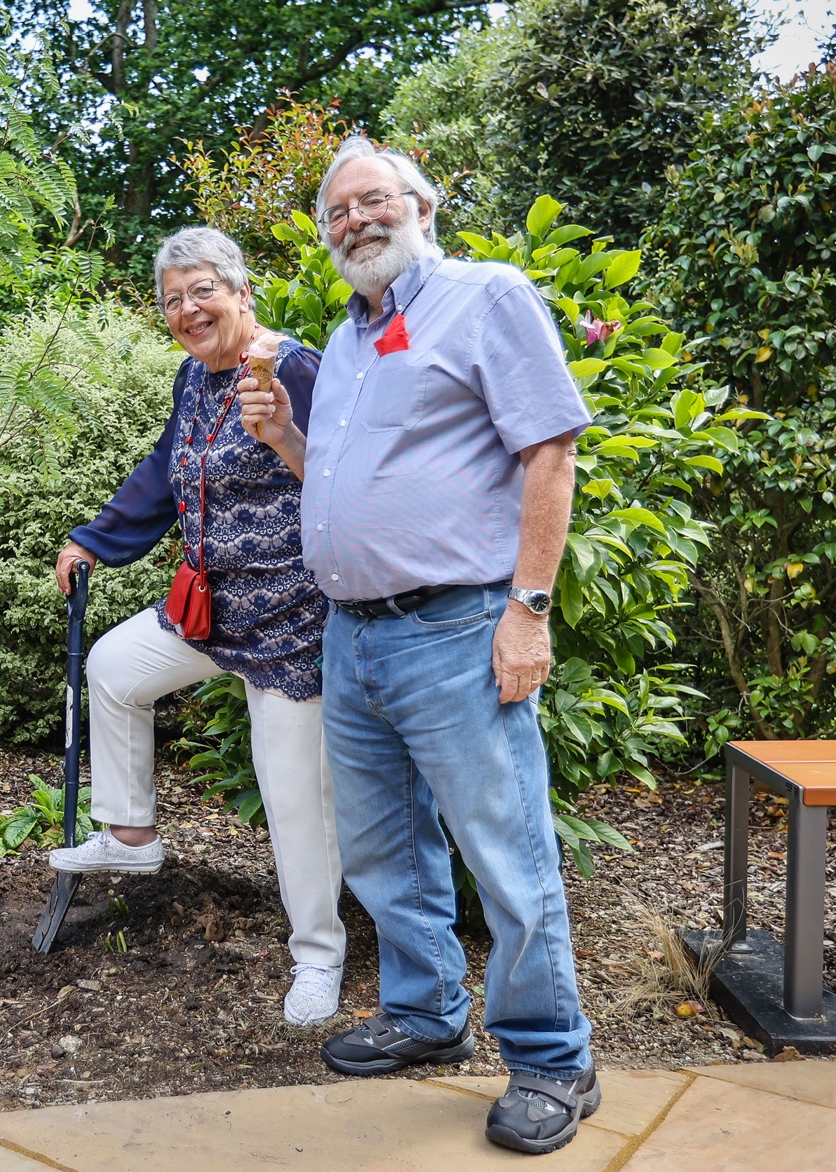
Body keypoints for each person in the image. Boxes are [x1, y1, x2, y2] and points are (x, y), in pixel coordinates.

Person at [258, 135, 597, 1155]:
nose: (354, 220)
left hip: (456, 626)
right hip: (353, 634)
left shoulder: (486, 297)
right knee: (384, 848)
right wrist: (285, 442)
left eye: (372, 199)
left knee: (505, 850)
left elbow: (550, 449)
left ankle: (553, 1057)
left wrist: (528, 609)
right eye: (337, 211)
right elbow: (348, 478)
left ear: (422, 206)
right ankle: (425, 1010)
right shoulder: (347, 339)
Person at [50, 226, 349, 1028]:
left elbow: (345, 477)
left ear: (243, 293)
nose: (188, 309)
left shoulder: (296, 367)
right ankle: (131, 835)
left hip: (291, 623)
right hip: (209, 611)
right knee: (115, 667)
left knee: (295, 797)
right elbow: (165, 470)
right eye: (173, 298)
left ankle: (319, 956)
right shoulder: (195, 377)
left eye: (203, 291)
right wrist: (94, 539)